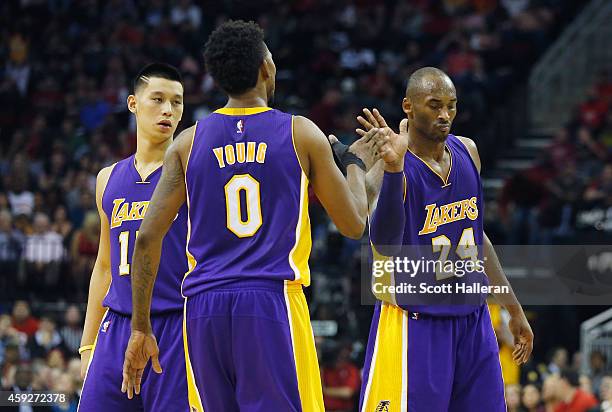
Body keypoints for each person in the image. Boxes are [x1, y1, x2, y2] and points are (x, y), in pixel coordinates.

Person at [121, 20, 378, 412]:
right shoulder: (300, 133)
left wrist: (141, 327)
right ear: (265, 67)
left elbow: (145, 238)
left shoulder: (187, 143)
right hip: (270, 300)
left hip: (202, 307)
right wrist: (357, 163)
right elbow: (354, 223)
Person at [357, 67, 533, 411]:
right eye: (434, 105)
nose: (444, 115)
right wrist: (393, 170)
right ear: (408, 106)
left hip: (474, 319)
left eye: (451, 106)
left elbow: (478, 240)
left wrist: (513, 308)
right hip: (415, 322)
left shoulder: (468, 151)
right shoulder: (388, 165)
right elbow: (384, 241)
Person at [77, 63, 189, 411]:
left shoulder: (192, 173)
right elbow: (104, 268)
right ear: (133, 103)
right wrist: (87, 346)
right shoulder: (107, 179)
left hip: (174, 325)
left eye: (177, 102)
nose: (168, 110)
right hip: (116, 327)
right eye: (157, 99)